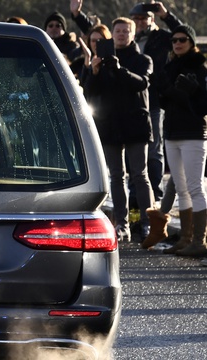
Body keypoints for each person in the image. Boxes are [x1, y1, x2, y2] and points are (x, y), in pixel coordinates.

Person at [72, 1, 183, 203]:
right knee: (116, 175)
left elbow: (183, 35)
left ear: (151, 19)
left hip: (148, 107)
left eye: (143, 18)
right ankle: (126, 215)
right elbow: (95, 33)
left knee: (149, 161)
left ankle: (151, 206)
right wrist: (77, 15)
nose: (139, 22)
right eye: (136, 18)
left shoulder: (158, 41)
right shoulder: (107, 54)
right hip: (113, 119)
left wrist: (166, 15)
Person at [81, 17, 154, 243]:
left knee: (140, 175)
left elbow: (141, 82)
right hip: (110, 125)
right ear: (112, 34)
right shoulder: (101, 60)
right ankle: (122, 225)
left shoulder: (143, 59)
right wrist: (93, 72)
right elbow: (89, 95)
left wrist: (118, 68)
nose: (122, 34)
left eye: (126, 31)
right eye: (118, 31)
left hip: (135, 125)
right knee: (116, 177)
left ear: (132, 34)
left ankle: (148, 222)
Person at [153, 25, 207, 257]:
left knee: (195, 187)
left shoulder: (200, 68)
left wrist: (191, 92)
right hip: (172, 133)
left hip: (194, 133)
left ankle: (199, 240)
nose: (177, 43)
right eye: (174, 40)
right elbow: (167, 101)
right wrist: (165, 92)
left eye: (183, 39)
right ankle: (186, 239)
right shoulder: (169, 67)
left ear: (191, 42)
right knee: (181, 188)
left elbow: (202, 106)